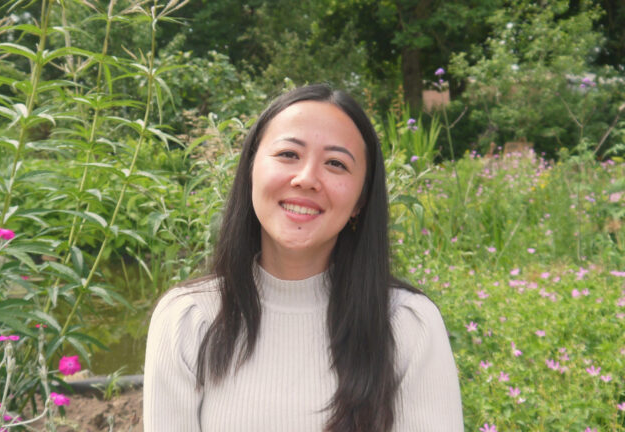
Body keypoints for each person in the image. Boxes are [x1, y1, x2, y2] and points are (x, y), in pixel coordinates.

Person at [143, 84, 463, 432]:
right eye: (288, 155)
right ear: (250, 169)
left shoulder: (407, 327)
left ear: (360, 201)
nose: (307, 178)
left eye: (336, 164)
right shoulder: (188, 320)